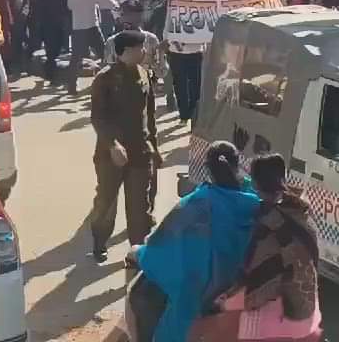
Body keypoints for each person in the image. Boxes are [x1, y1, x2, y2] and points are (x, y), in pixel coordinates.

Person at [126, 140, 259, 342]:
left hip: (200, 300)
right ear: (238, 163)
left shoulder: (197, 203)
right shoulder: (254, 201)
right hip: (241, 293)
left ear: (207, 169)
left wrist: (138, 252)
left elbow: (158, 247)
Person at [194, 154, 322, 342]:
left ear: (254, 184)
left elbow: (249, 275)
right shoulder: (303, 216)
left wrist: (218, 298)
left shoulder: (263, 227)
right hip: (306, 315)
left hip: (272, 321)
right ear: (284, 177)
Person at [90, 30, 163, 261]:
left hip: (140, 149)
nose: (144, 52)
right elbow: (98, 118)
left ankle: (137, 251)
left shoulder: (145, 74)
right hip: (110, 154)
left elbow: (149, 115)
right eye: (140, 48)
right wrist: (112, 145)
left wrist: (155, 146)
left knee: (140, 204)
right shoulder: (105, 78)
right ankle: (100, 242)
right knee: (106, 200)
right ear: (127, 51)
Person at [68, 0, 119, 94]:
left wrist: (116, 6)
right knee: (76, 58)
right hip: (78, 28)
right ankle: (72, 87)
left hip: (92, 27)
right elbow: (70, 6)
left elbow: (105, 0)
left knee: (104, 54)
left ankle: (111, 83)